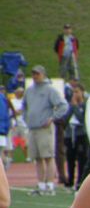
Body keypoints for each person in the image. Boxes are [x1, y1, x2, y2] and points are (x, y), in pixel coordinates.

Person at [23, 65, 68, 196]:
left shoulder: (49, 90)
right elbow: (25, 106)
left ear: (43, 74)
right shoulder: (29, 90)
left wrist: (52, 118)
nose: (35, 76)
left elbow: (63, 105)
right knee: (37, 157)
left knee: (48, 156)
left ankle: (49, 184)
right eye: (33, 74)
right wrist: (27, 119)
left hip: (44, 128)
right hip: (33, 128)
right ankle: (41, 184)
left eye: (37, 74)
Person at [64, 83, 89, 191]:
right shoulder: (70, 105)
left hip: (80, 134)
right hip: (70, 134)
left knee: (81, 159)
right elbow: (65, 119)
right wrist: (72, 106)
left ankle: (80, 181)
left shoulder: (85, 105)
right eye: (74, 92)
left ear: (82, 92)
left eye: (77, 92)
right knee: (70, 158)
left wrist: (74, 106)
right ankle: (70, 181)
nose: (75, 94)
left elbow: (82, 119)